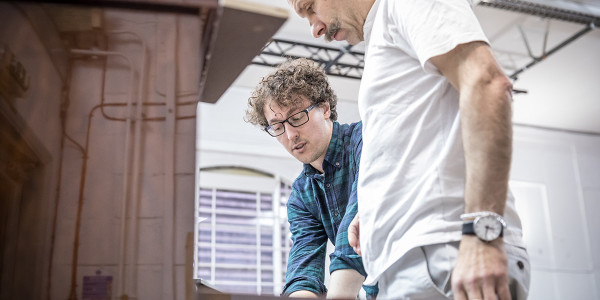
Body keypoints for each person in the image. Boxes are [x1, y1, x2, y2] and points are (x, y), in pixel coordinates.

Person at [287, 0, 530, 299]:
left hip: (447, 249)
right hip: (417, 261)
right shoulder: (382, 37)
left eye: (310, 6)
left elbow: (486, 83)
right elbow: (423, 137)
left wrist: (484, 232)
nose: (315, 29)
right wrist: (379, 211)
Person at [244, 58, 377, 299]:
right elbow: (304, 267)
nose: (290, 134)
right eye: (277, 126)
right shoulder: (302, 194)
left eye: (296, 118)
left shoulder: (366, 138)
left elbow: (362, 215)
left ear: (325, 108)